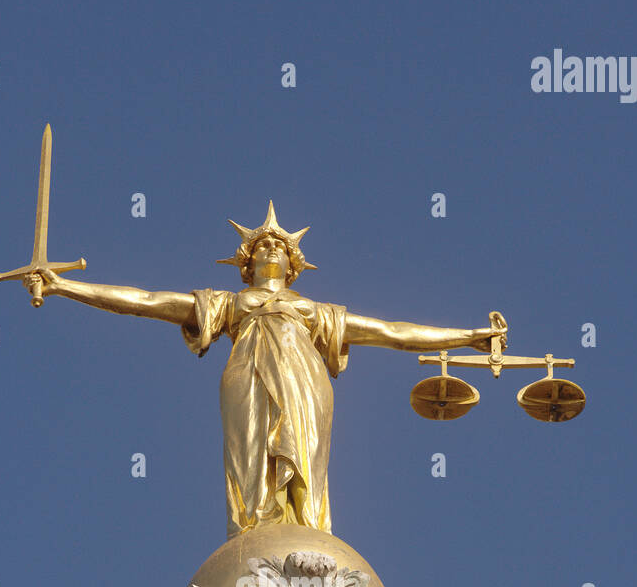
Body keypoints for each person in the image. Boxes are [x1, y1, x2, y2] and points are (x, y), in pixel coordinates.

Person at [26, 202, 501, 537]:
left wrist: (468, 336)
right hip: (247, 376)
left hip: (305, 383)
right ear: (247, 261)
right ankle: (255, 530)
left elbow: (392, 331)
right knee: (251, 460)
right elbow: (148, 301)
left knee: (305, 461)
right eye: (263, 246)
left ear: (293, 264)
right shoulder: (229, 304)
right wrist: (67, 287)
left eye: (279, 246)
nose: (271, 248)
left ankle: (305, 530)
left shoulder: (314, 312)